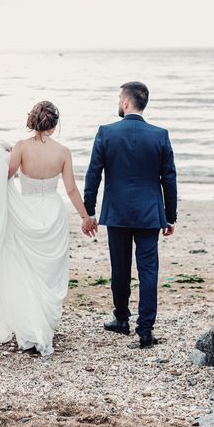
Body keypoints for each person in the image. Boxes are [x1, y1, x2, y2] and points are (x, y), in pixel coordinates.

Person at [0, 101, 95, 357]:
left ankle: (30, 329)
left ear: (33, 121)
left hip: (25, 213)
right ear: (54, 124)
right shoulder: (63, 152)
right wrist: (86, 217)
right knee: (48, 274)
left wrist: (0, 155)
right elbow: (72, 190)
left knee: (24, 270)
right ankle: (41, 328)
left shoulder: (21, 147)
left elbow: (3, 178)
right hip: (52, 214)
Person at [83, 81, 178, 348]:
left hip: (118, 213)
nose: (118, 103)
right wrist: (170, 216)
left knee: (120, 268)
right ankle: (145, 330)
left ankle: (121, 319)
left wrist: (89, 210)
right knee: (148, 271)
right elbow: (168, 178)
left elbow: (93, 174)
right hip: (150, 214)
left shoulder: (106, 133)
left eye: (118, 99)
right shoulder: (159, 135)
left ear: (126, 103)